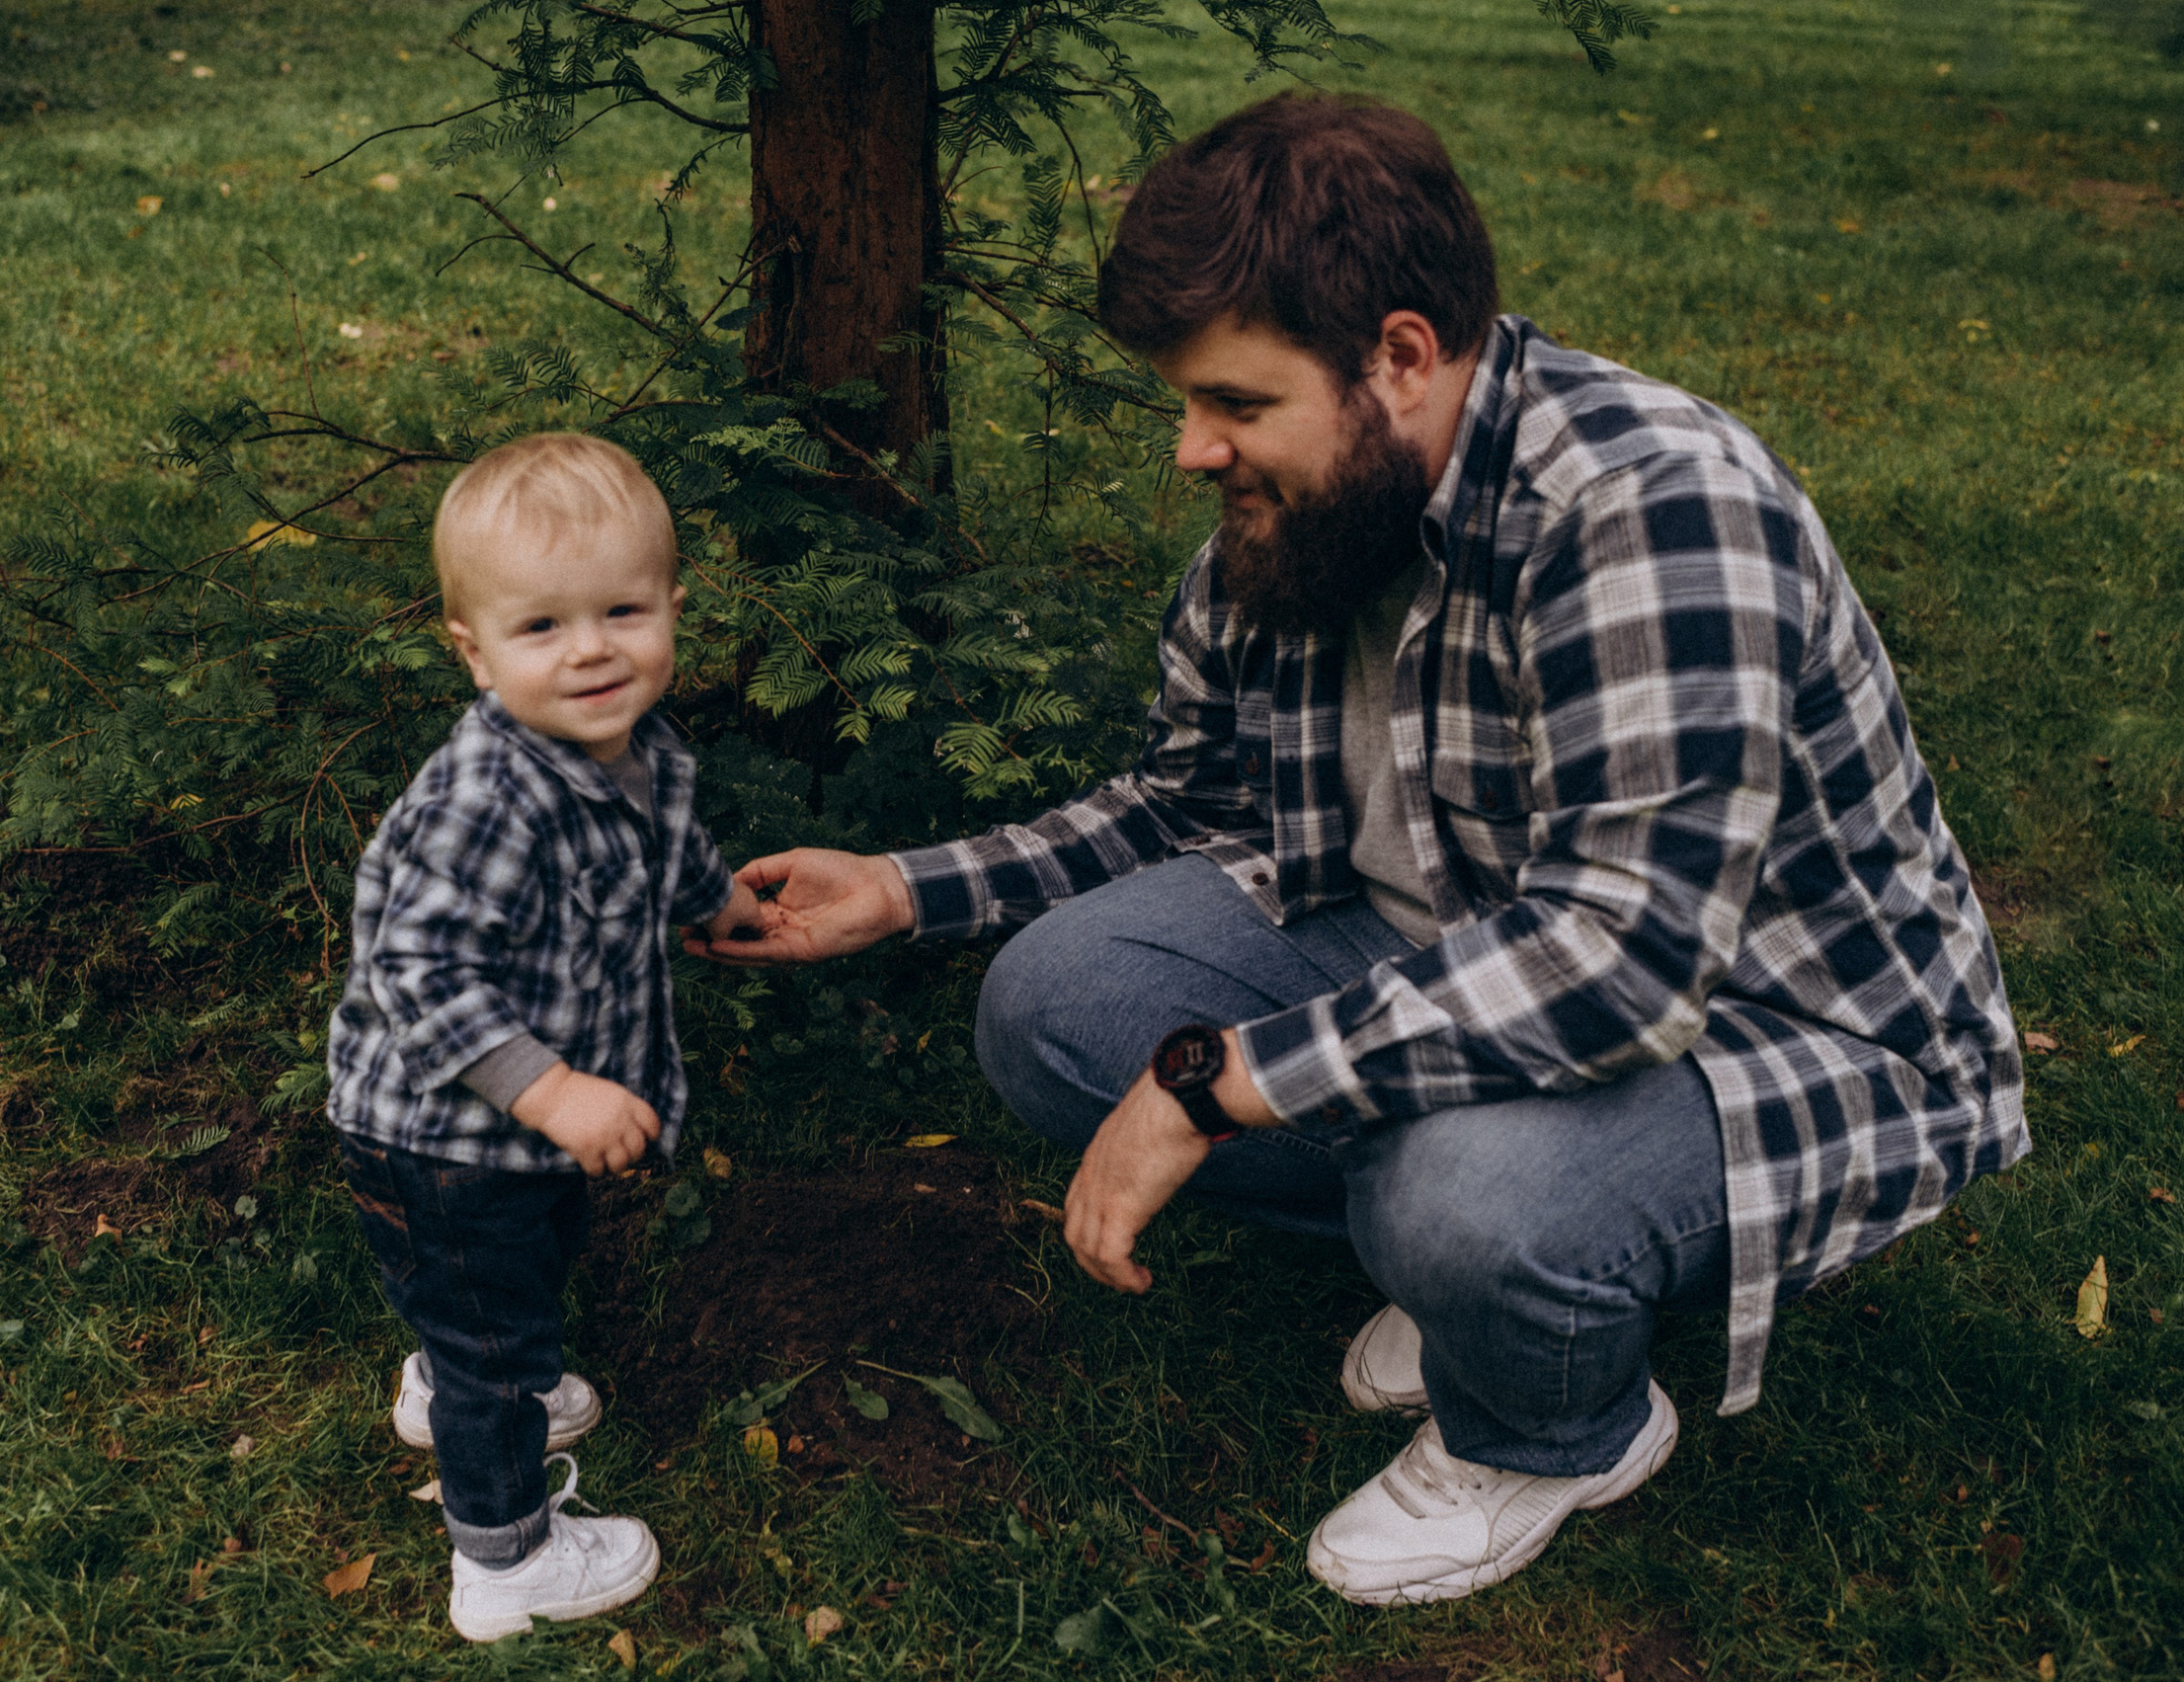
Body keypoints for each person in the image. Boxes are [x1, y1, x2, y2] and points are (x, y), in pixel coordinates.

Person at [694, 95, 2027, 1606]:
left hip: (1768, 1034)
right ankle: (1468, 1262)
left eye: (1235, 401)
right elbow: (1187, 801)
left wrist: (1217, 1081)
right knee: (1052, 1003)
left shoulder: (1651, 507)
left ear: (1399, 354)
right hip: (1460, 942)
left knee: (1456, 1197)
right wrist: (903, 888)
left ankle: (1554, 1420)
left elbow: (1627, 960)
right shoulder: (1313, 506)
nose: (1193, 448)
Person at [328, 433, 764, 1641]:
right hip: (444, 1131)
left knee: (518, 1262)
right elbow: (417, 969)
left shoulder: (630, 745)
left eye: (622, 610)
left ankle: (448, 1367)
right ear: (473, 650)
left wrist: (716, 900)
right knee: (493, 1323)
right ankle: (505, 1556)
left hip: (514, 1131)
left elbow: (661, 843)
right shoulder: (487, 798)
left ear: (673, 608)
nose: (590, 649)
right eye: (541, 626)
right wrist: (553, 1088)